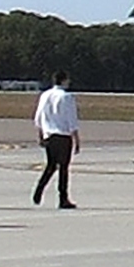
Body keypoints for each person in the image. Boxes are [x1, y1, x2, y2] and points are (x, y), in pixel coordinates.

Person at [31, 73, 80, 209]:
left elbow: (39, 116)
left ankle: (39, 189)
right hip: (63, 136)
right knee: (63, 168)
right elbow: (72, 119)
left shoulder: (45, 95)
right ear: (64, 81)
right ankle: (63, 198)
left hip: (49, 135)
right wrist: (76, 138)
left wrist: (41, 134)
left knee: (51, 165)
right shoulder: (67, 97)